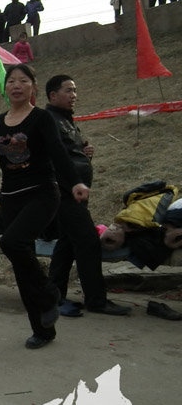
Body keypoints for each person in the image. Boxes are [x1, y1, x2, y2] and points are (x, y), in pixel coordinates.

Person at [0, 64, 90, 350]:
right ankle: (43, 328)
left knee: (13, 243)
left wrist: (74, 182)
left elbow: (59, 154)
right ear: (6, 88)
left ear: (33, 87)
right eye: (11, 81)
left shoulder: (42, 119)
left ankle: (49, 294)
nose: (17, 85)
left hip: (43, 194)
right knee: (21, 262)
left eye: (23, 80)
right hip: (10, 199)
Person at [43, 75, 130, 317]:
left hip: (75, 192)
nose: (74, 95)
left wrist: (84, 153)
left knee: (67, 245)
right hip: (64, 194)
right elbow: (52, 158)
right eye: (68, 90)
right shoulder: (49, 120)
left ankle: (53, 295)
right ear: (53, 95)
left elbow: (70, 153)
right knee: (88, 242)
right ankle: (96, 300)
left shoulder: (66, 120)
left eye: (75, 90)